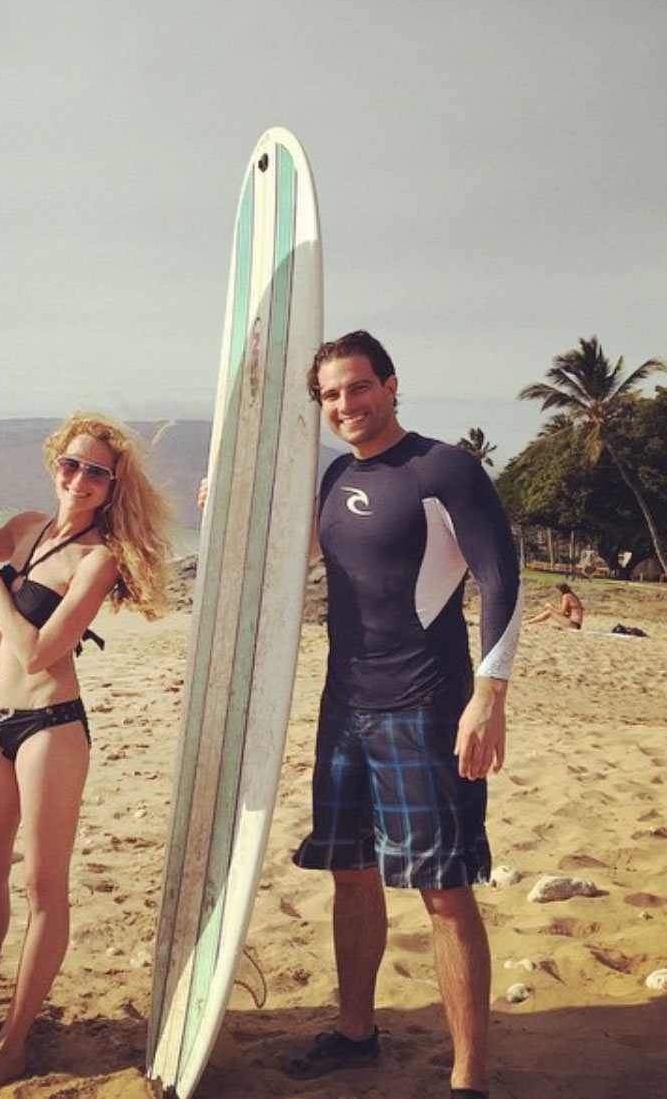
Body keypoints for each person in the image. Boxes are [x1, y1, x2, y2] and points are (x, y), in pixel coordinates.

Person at [285, 331, 522, 1099]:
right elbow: (302, 561)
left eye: (358, 388)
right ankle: (356, 1033)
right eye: (330, 395)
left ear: (389, 385)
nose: (345, 405)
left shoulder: (441, 467)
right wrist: (235, 512)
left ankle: (467, 1077)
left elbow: (501, 575)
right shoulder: (331, 480)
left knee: (445, 891)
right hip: (344, 706)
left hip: (426, 704)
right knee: (349, 873)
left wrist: (490, 694)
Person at [0, 412, 173, 1094]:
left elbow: (41, 650)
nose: (80, 478)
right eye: (71, 464)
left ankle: (13, 1043)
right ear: (55, 463)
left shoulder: (100, 560)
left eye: (96, 471)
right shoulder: (27, 525)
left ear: (111, 485)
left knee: (44, 886)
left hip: (49, 727)